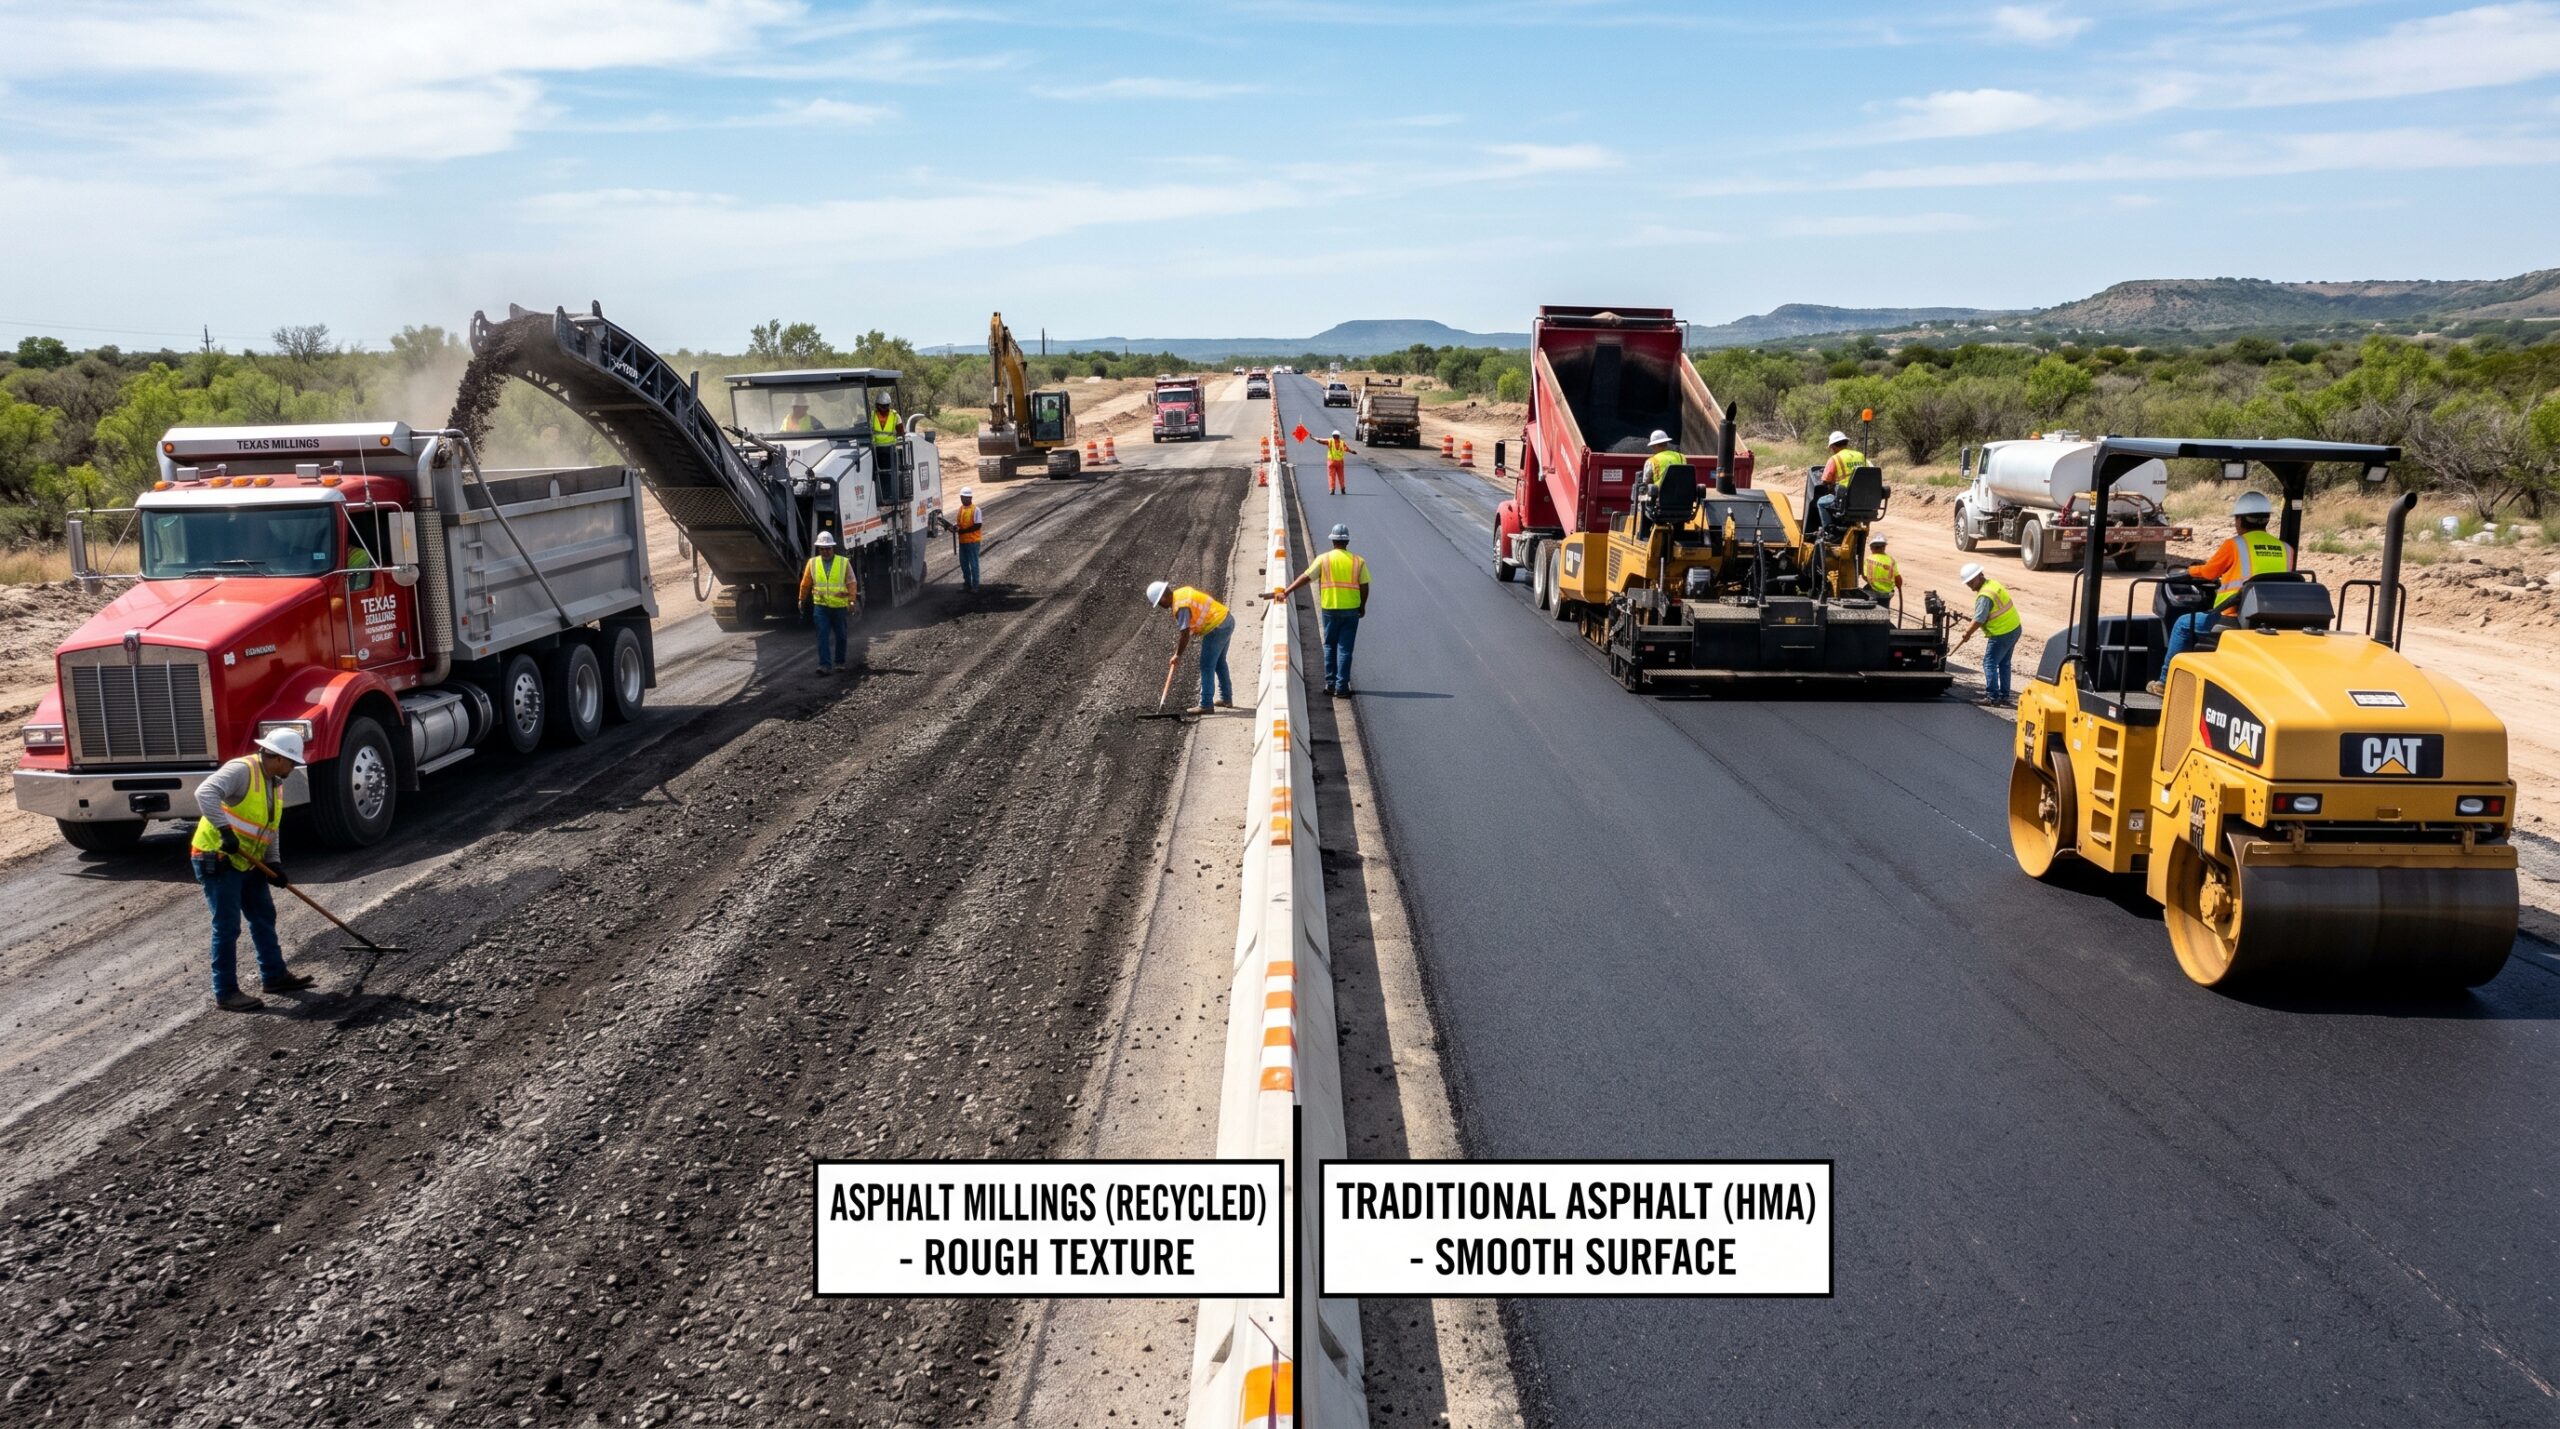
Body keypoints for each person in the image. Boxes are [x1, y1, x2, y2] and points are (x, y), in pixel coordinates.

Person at [191, 727, 315, 1011]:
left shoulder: (275, 783)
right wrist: (224, 831)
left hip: (249, 861)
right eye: (292, 762)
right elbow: (204, 792)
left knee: (263, 915)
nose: (294, 767)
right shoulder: (242, 770)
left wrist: (274, 863)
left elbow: (270, 827)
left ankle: (274, 976)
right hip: (217, 858)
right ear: (278, 757)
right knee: (227, 927)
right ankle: (226, 992)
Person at [2152, 490, 2291, 691]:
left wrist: (2190, 571)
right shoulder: (2286, 549)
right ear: (2266, 520)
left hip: (2233, 618)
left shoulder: (2234, 545)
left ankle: (2165, 683)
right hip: (2275, 620)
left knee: (2183, 624)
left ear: (2240, 520)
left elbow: (2209, 572)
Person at [1271, 523, 1371, 696]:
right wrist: (1362, 606)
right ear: (1347, 541)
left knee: (1330, 646)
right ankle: (1342, 687)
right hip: (1351, 611)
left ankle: (1330, 684)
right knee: (1345, 649)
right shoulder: (1358, 561)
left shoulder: (1323, 559)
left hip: (1330, 609)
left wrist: (1286, 592)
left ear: (1332, 540)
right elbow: (1364, 586)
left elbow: (1306, 577)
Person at [1148, 578, 1233, 713]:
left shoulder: (1180, 606)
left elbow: (1185, 633)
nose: (1160, 605)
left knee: (1206, 665)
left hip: (1217, 627)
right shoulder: (1181, 593)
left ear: (1163, 597)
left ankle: (1206, 704)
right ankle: (1226, 698)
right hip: (1226, 620)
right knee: (1219, 662)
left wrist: (1177, 655)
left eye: (1158, 602)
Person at [1954, 562, 2022, 705]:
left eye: (1971, 582)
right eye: (1968, 583)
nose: (1970, 585)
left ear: (1980, 576)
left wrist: (1967, 633)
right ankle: (2004, 695)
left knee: (1989, 663)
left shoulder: (1985, 596)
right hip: (2014, 628)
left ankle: (1992, 697)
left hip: (2002, 633)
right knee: (2004, 663)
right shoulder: (1992, 584)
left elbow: (1979, 619)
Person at [800, 530, 854, 674]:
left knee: (841, 636)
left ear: (833, 548)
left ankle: (840, 662)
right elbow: (805, 583)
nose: (825, 551)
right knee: (822, 636)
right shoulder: (812, 563)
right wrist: (801, 599)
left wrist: (852, 601)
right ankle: (824, 665)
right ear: (819, 549)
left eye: (828, 548)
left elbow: (851, 582)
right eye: (822, 549)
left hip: (839, 606)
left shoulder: (843, 562)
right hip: (821, 607)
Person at [1814, 429, 1866, 531]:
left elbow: (1825, 480)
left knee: (1821, 502)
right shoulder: (1860, 456)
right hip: (1862, 499)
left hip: (1845, 499)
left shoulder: (1835, 459)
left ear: (1833, 446)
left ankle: (1829, 530)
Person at [948, 488, 984, 593]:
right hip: (963, 542)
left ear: (971, 498)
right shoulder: (961, 509)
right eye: (962, 497)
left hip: (973, 541)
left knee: (973, 564)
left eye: (966, 498)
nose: (964, 499)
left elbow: (978, 525)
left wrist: (963, 531)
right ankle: (967, 584)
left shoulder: (976, 509)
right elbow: (959, 523)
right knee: (964, 564)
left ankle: (975, 586)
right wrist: (954, 527)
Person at [1864, 533, 1900, 605]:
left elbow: (1864, 576)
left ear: (1871, 547)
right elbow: (1898, 579)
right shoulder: (1891, 560)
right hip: (1886, 593)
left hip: (1872, 591)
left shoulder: (1868, 559)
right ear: (1884, 547)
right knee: (1884, 608)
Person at [1321, 429, 1349, 495]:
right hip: (1340, 462)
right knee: (1341, 476)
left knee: (1331, 476)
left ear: (1332, 436)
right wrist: (1352, 451)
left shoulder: (1330, 441)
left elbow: (1321, 441)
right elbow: (1347, 449)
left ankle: (1332, 489)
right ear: (1339, 436)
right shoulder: (1342, 443)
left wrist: (1313, 438)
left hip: (1331, 462)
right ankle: (1342, 489)